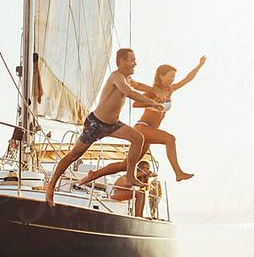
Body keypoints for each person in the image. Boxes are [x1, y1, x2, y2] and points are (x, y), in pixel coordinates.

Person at [45, 48, 164, 207]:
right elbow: (128, 92)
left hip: (113, 125)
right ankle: (51, 185)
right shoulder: (116, 77)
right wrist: (152, 103)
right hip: (96, 124)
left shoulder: (126, 78)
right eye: (132, 60)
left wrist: (155, 91)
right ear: (121, 61)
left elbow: (137, 86)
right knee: (74, 155)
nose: (135, 63)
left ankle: (130, 176)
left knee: (138, 138)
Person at [79, 56, 206, 185]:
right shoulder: (153, 91)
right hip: (143, 127)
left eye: (173, 78)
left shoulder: (170, 90)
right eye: (169, 77)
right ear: (161, 76)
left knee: (125, 165)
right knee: (170, 139)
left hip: (151, 132)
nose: (172, 80)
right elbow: (135, 104)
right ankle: (178, 173)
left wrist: (200, 65)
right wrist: (152, 104)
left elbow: (187, 79)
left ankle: (93, 175)